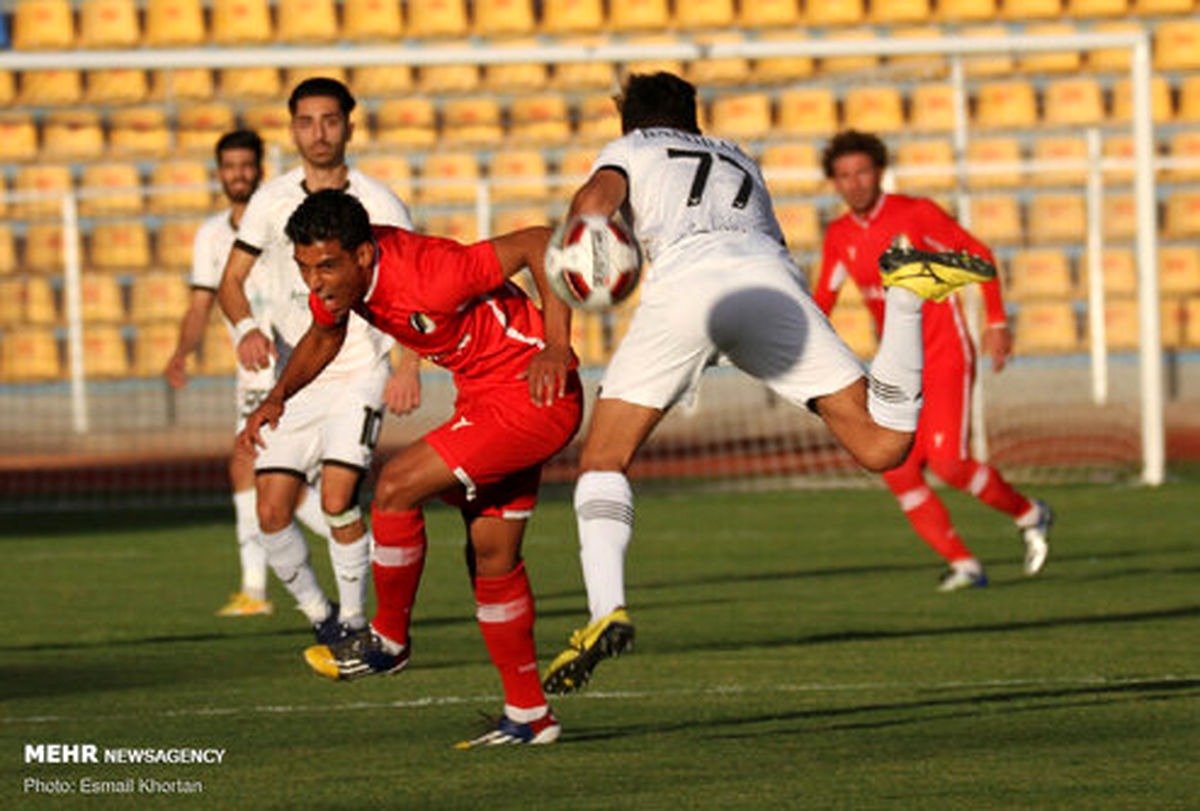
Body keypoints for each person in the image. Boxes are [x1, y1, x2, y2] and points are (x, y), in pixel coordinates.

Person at [539, 72, 997, 696]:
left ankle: (605, 609)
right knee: (883, 445)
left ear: (632, 122)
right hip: (769, 281)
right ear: (692, 120)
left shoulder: (632, 148)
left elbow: (592, 205)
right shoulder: (739, 157)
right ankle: (907, 299)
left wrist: (584, 280)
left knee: (604, 456)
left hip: (687, 287)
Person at [240, 189, 581, 747]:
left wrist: (557, 344)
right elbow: (325, 335)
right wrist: (279, 395)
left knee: (395, 486)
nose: (315, 283)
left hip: (532, 396)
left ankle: (389, 642)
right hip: (484, 399)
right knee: (493, 557)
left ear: (364, 256)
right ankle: (530, 715)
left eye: (326, 266)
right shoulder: (340, 280)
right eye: (305, 268)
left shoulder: (433, 274)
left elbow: (540, 242)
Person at [217, 78, 417, 643]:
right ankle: (322, 618)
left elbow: (408, 287)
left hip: (360, 368)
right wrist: (248, 328)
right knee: (271, 511)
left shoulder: (380, 203)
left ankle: (357, 624)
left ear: (350, 125)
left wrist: (406, 366)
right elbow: (229, 282)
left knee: (336, 497)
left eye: (330, 120)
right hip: (296, 374)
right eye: (306, 121)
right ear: (292, 128)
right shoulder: (270, 200)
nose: (319, 132)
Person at [814, 130, 1052, 592]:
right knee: (897, 468)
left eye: (862, 171)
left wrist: (997, 322)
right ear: (834, 184)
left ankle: (1031, 513)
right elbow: (822, 300)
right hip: (897, 363)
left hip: (945, 351)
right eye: (844, 176)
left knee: (948, 463)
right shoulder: (839, 236)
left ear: (879, 171)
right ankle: (964, 564)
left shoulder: (915, 213)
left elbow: (979, 254)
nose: (855, 183)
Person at [163, 129, 332, 617]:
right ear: (219, 172)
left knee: (264, 473)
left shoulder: (281, 220)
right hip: (250, 370)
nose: (238, 174)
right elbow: (203, 299)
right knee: (268, 479)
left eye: (245, 164)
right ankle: (261, 587)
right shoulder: (212, 235)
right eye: (229, 166)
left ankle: (267, 586)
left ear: (260, 166)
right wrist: (182, 352)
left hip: (291, 362)